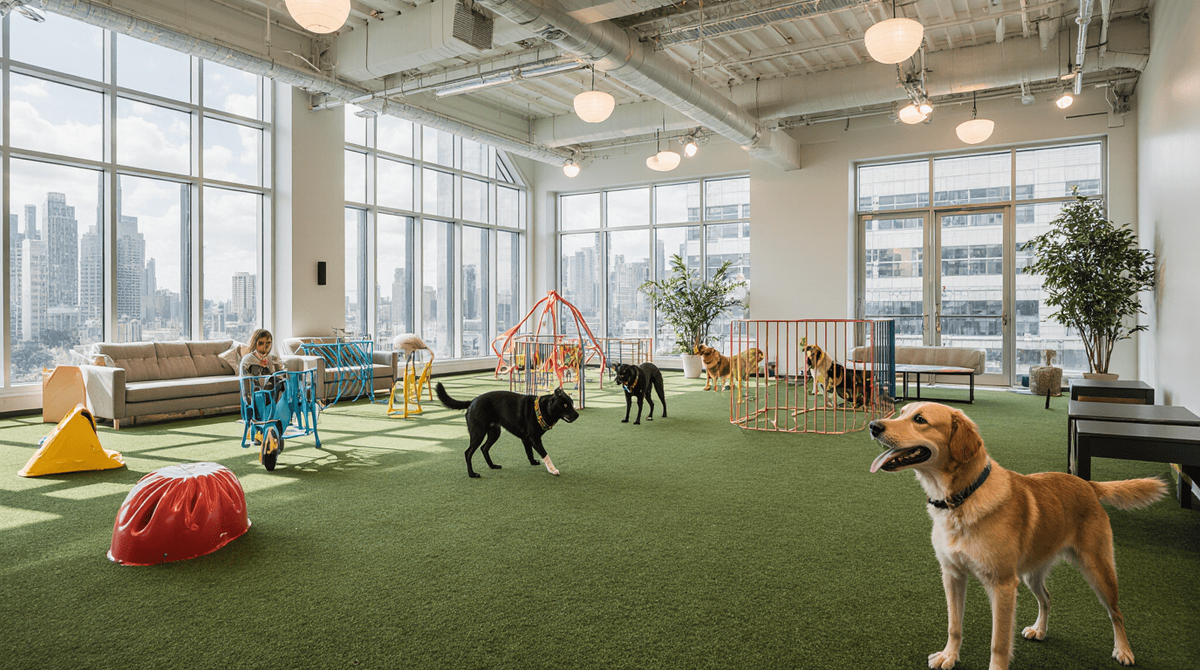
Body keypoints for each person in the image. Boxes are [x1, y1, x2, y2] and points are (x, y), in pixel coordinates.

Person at [240, 328, 293, 441]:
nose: (265, 347)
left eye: (268, 343)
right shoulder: (247, 360)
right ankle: (264, 428)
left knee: (283, 383)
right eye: (261, 343)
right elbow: (245, 385)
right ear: (255, 343)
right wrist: (248, 399)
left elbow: (281, 375)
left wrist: (281, 369)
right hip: (256, 396)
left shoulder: (272, 358)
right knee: (263, 393)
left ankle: (276, 426)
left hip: (271, 394)